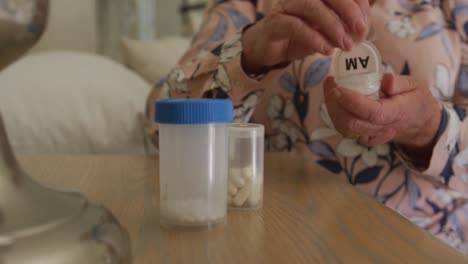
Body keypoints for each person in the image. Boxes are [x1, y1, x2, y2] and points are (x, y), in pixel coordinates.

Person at [147, 0, 468, 253]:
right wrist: (249, 55)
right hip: (270, 243)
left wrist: (431, 127)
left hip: (421, 246)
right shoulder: (252, 5)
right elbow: (161, 122)